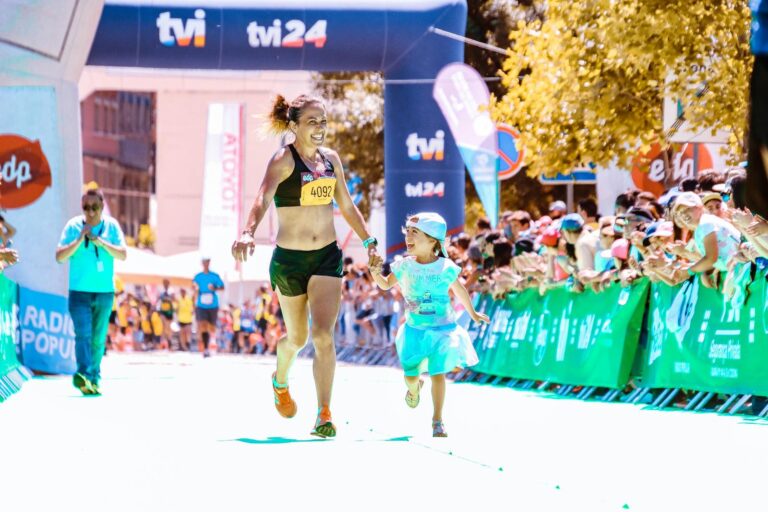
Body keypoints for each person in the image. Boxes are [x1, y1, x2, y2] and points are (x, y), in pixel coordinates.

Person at [231, 94, 379, 438]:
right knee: (296, 338)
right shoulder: (284, 159)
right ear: (294, 125)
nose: (319, 128)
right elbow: (262, 198)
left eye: (323, 121)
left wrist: (369, 241)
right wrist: (247, 232)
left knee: (324, 335)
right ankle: (280, 380)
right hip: (290, 260)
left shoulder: (331, 161)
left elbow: (345, 203)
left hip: (326, 257)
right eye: (311, 121)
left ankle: (323, 413)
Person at [368, 212, 489, 437]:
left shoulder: (446, 266)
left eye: (415, 233)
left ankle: (437, 420)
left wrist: (473, 313)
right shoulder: (404, 265)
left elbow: (460, 290)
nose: (408, 237)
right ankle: (414, 389)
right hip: (415, 330)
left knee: (438, 372)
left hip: (443, 330)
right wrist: (375, 273)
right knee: (411, 376)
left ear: (433, 240)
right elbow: (385, 285)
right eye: (408, 232)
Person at [55, 189, 127, 395]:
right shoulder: (73, 226)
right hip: (79, 292)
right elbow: (59, 256)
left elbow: (122, 254)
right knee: (83, 334)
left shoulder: (111, 227)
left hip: (104, 293)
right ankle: (84, 374)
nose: (91, 212)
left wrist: (100, 242)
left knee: (98, 338)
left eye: (95, 207)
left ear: (102, 207)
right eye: (86, 207)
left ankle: (94, 377)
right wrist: (79, 239)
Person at [193, 257, 225, 357]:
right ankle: (206, 348)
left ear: (209, 263)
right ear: (202, 263)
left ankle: (212, 342)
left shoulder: (215, 276)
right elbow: (193, 285)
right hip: (201, 304)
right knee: (203, 325)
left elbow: (222, 287)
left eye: (207, 262)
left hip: (213, 304)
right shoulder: (198, 276)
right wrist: (195, 287)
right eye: (204, 262)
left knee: (211, 327)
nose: (205, 264)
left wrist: (214, 287)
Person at [157, 279, 175, 349]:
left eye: (166, 283)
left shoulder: (171, 291)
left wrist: (168, 298)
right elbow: (159, 300)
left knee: (168, 327)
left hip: (169, 312)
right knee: (163, 326)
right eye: (164, 283)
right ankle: (163, 342)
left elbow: (173, 299)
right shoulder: (161, 292)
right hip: (163, 311)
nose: (165, 284)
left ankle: (169, 341)